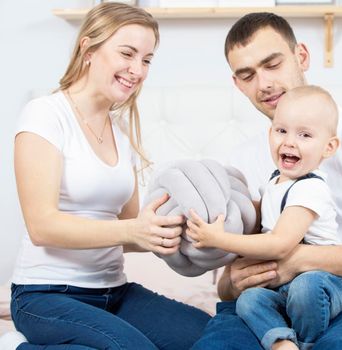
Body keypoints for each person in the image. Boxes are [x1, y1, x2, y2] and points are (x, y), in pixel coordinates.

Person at [191, 12, 342, 350]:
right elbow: (227, 283)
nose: (264, 84)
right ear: (237, 83)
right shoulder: (237, 162)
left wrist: (301, 258)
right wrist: (232, 283)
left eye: (272, 64)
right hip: (267, 304)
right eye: (248, 75)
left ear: (301, 56)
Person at [5, 3, 210, 349]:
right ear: (88, 48)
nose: (137, 70)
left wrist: (168, 233)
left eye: (146, 60)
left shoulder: (121, 133)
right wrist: (133, 230)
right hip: (45, 295)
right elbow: (42, 226)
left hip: (114, 291)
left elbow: (130, 230)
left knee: (215, 336)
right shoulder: (45, 115)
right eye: (127, 54)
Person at [188, 86, 342, 350]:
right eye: (281, 131)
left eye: (305, 135)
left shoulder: (310, 188)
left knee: (305, 288)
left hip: (324, 283)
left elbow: (279, 244)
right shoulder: (275, 182)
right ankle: (281, 341)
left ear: (329, 147)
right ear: (270, 132)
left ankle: (309, 342)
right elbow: (259, 219)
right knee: (248, 300)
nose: (289, 142)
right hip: (283, 286)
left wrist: (219, 239)